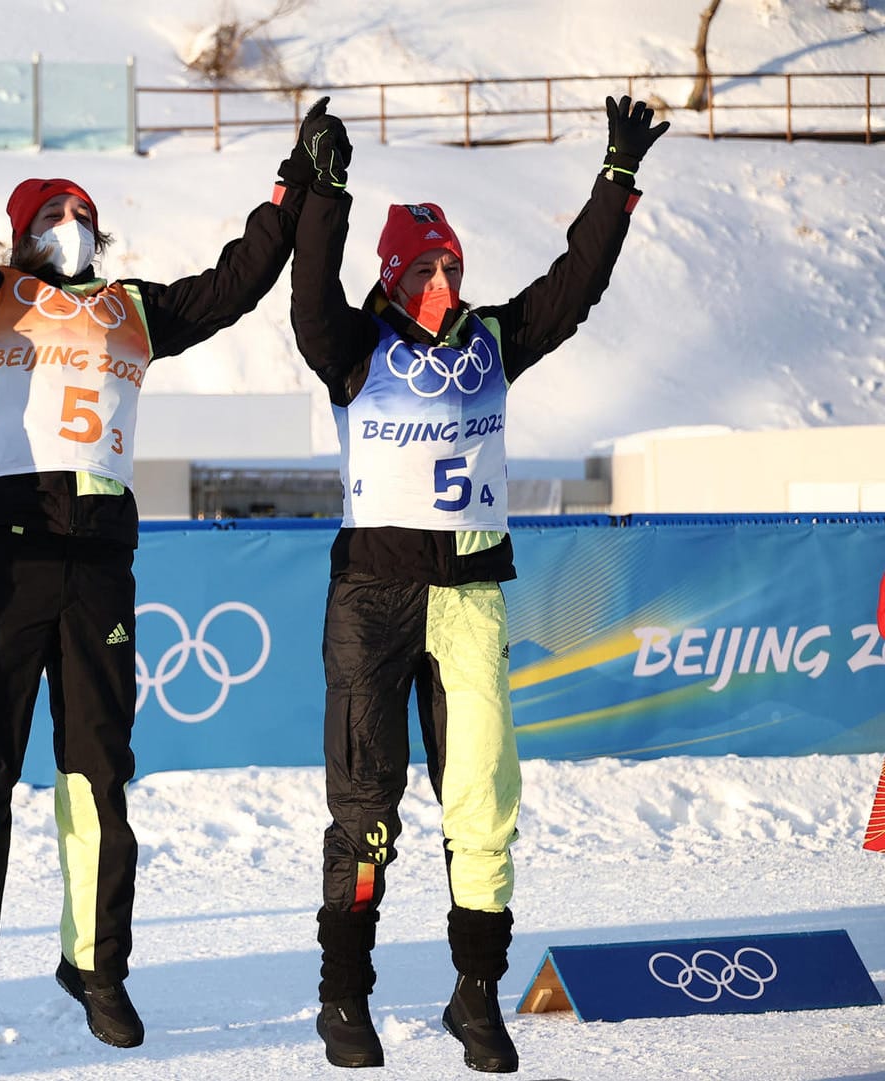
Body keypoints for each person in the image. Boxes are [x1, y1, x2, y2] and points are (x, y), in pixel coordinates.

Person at [0, 143, 310, 1057]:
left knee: (98, 772)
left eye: (81, 214)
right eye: (51, 216)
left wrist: (290, 192)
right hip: (7, 549)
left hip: (101, 555)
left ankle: (97, 964)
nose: (70, 228)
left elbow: (237, 282)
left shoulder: (134, 309)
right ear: (22, 233)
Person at [286, 95, 667, 1073]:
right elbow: (307, 296)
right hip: (372, 597)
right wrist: (324, 191)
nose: (444, 279)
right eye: (425, 267)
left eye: (452, 264)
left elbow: (572, 287)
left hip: (471, 597)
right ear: (392, 274)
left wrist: (615, 183)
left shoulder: (494, 339)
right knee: (364, 804)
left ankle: (476, 993)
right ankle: (344, 995)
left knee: (483, 797)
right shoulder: (351, 346)